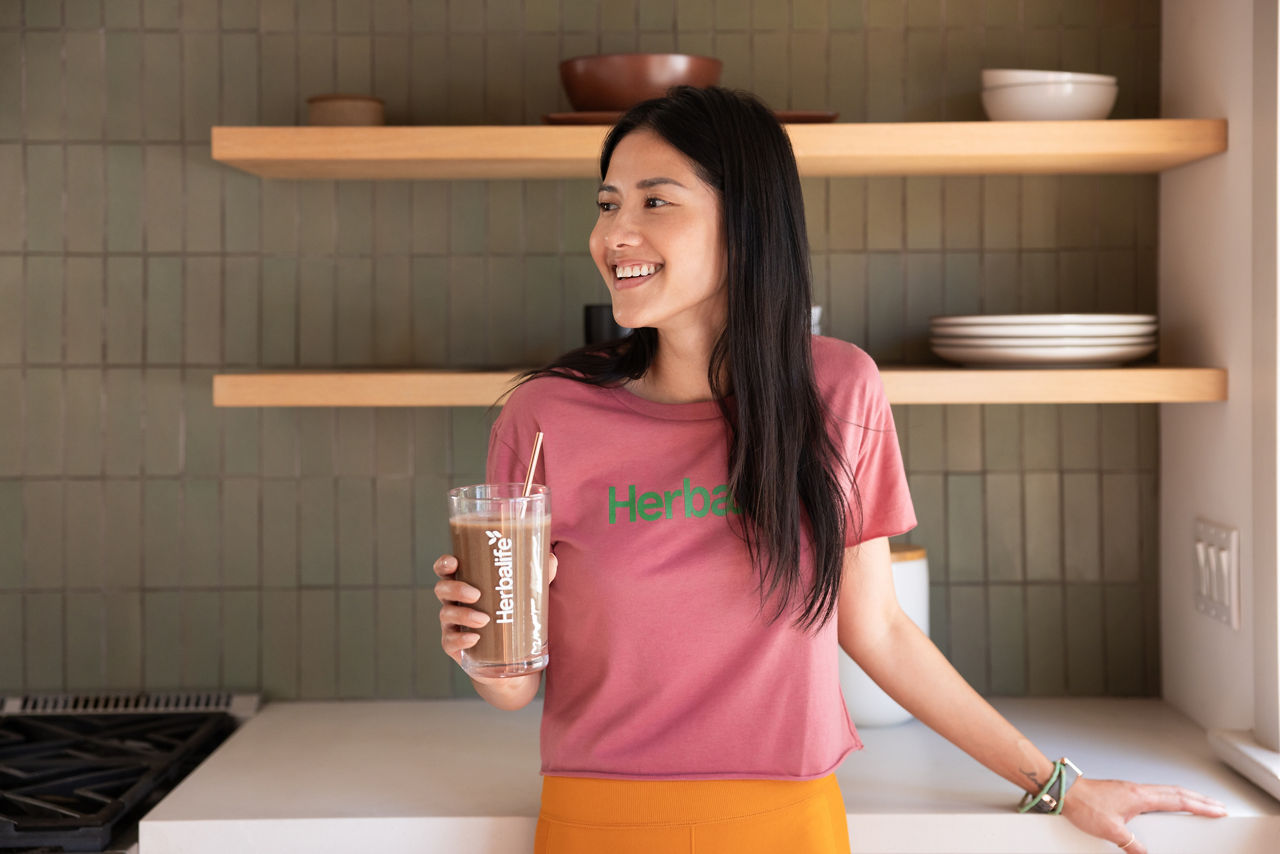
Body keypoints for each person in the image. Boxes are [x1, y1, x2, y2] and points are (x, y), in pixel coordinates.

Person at [433, 86, 1227, 854]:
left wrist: (1059, 784)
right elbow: (513, 682)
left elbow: (875, 627)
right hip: (596, 821)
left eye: (656, 201)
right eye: (608, 204)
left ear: (744, 225)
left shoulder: (838, 391)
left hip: (787, 824)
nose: (616, 233)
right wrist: (476, 647)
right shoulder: (546, 418)